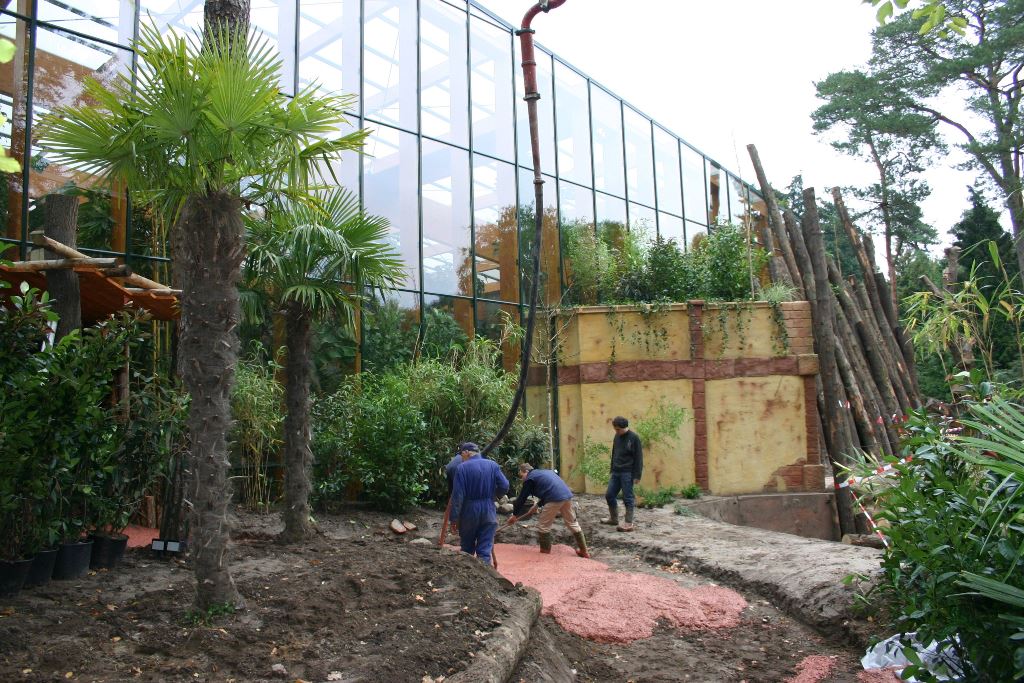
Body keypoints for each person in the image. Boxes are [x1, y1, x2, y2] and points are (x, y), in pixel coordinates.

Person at [508, 463, 589, 558]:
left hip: (554, 498)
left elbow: (522, 498)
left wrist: (514, 515)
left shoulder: (530, 479)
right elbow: (550, 489)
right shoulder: (544, 473)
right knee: (572, 523)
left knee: (543, 526)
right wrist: (536, 506)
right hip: (566, 496)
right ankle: (584, 551)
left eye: (521, 475)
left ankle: (545, 552)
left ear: (526, 471)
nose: (522, 479)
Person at [449, 442, 509, 565]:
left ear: (466, 453)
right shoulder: (493, 465)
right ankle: (486, 580)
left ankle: (467, 579)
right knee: (484, 552)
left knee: (467, 550)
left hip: (469, 512)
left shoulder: (462, 468)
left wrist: (454, 518)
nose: (461, 458)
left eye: (462, 455)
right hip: (489, 510)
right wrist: (495, 495)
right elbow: (505, 485)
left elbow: (458, 496)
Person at [601, 416, 643, 532]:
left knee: (628, 498)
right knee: (609, 495)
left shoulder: (634, 438)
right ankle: (614, 519)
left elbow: (638, 458)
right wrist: (612, 469)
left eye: (618, 429)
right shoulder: (617, 436)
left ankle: (628, 523)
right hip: (616, 472)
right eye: (615, 429)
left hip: (627, 473)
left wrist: (637, 475)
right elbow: (614, 453)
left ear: (625, 427)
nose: (616, 431)